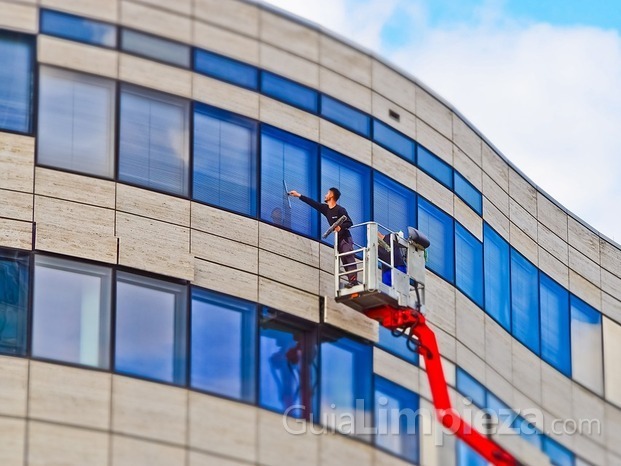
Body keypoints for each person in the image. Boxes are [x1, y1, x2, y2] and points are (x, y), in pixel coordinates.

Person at [288, 187, 358, 287]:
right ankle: (352, 281)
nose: (325, 195)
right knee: (344, 260)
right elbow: (313, 203)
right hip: (338, 241)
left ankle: (353, 281)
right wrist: (298, 195)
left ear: (332, 195)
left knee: (348, 257)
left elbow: (349, 222)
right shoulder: (326, 209)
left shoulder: (340, 210)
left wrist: (340, 227)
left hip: (345, 239)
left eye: (327, 193)